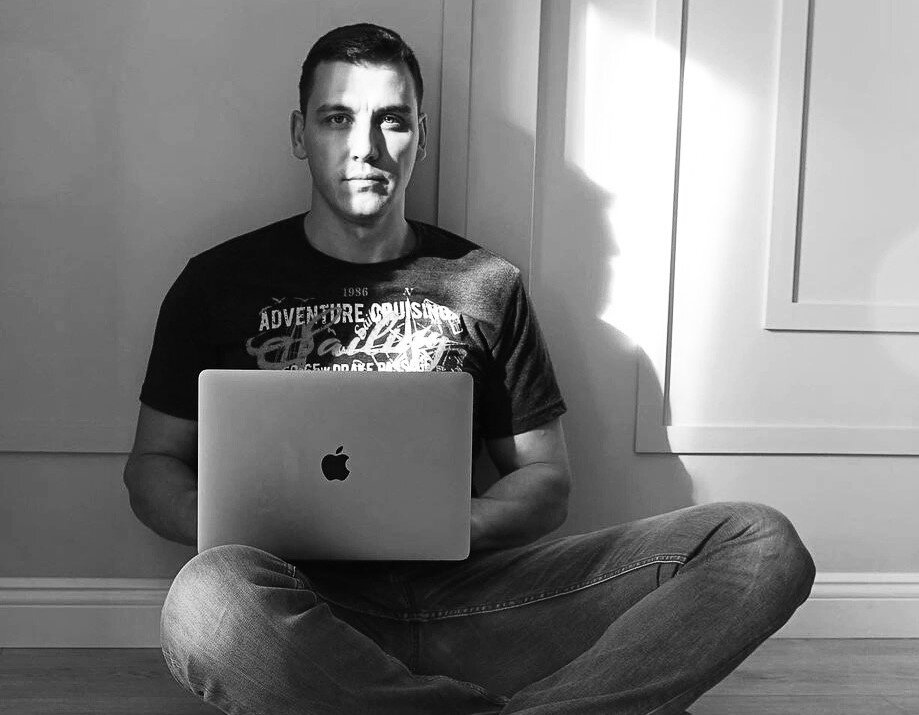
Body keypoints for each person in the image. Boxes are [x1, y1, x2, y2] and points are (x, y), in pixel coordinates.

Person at [123, 22, 816, 715]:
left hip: (474, 606)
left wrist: (455, 522)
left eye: (392, 120)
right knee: (204, 605)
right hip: (305, 614)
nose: (365, 147)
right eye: (337, 118)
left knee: (759, 544)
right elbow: (153, 466)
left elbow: (545, 482)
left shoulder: (486, 283)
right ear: (300, 133)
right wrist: (239, 523)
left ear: (421, 135)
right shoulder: (216, 285)